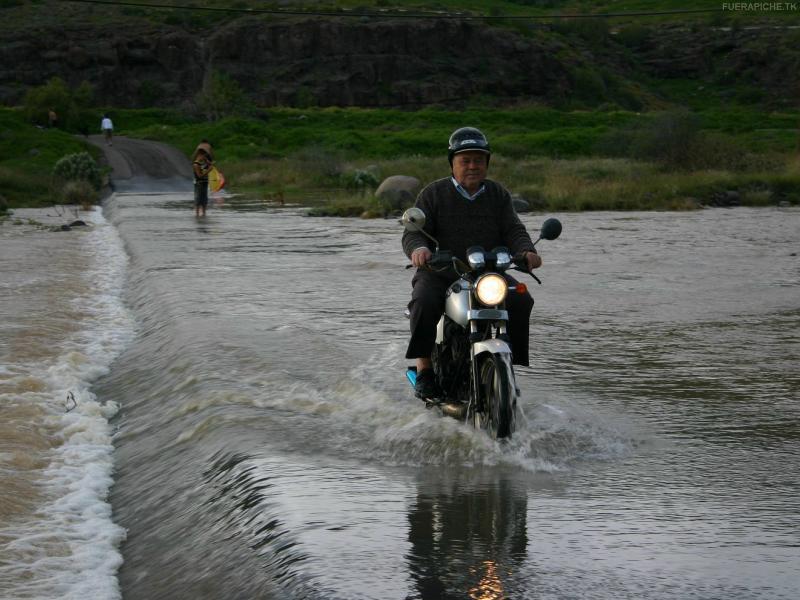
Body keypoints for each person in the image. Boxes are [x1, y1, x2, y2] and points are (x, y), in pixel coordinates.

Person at [402, 127, 542, 399]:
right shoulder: (434, 193)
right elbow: (413, 231)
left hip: (487, 272)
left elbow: (514, 228)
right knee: (423, 300)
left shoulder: (497, 194)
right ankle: (424, 368)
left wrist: (526, 251)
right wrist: (419, 249)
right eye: (465, 160)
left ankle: (506, 367)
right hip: (441, 270)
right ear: (452, 163)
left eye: (479, 160)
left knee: (521, 299)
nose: (472, 166)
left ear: (487, 163)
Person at [191, 141, 214, 217]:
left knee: (204, 199)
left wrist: (208, 163)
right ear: (200, 155)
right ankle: (197, 215)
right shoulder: (196, 164)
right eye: (204, 156)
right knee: (198, 199)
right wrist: (208, 170)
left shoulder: (203, 162)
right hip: (199, 183)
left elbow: (211, 166)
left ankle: (204, 214)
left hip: (205, 182)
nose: (205, 157)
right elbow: (199, 176)